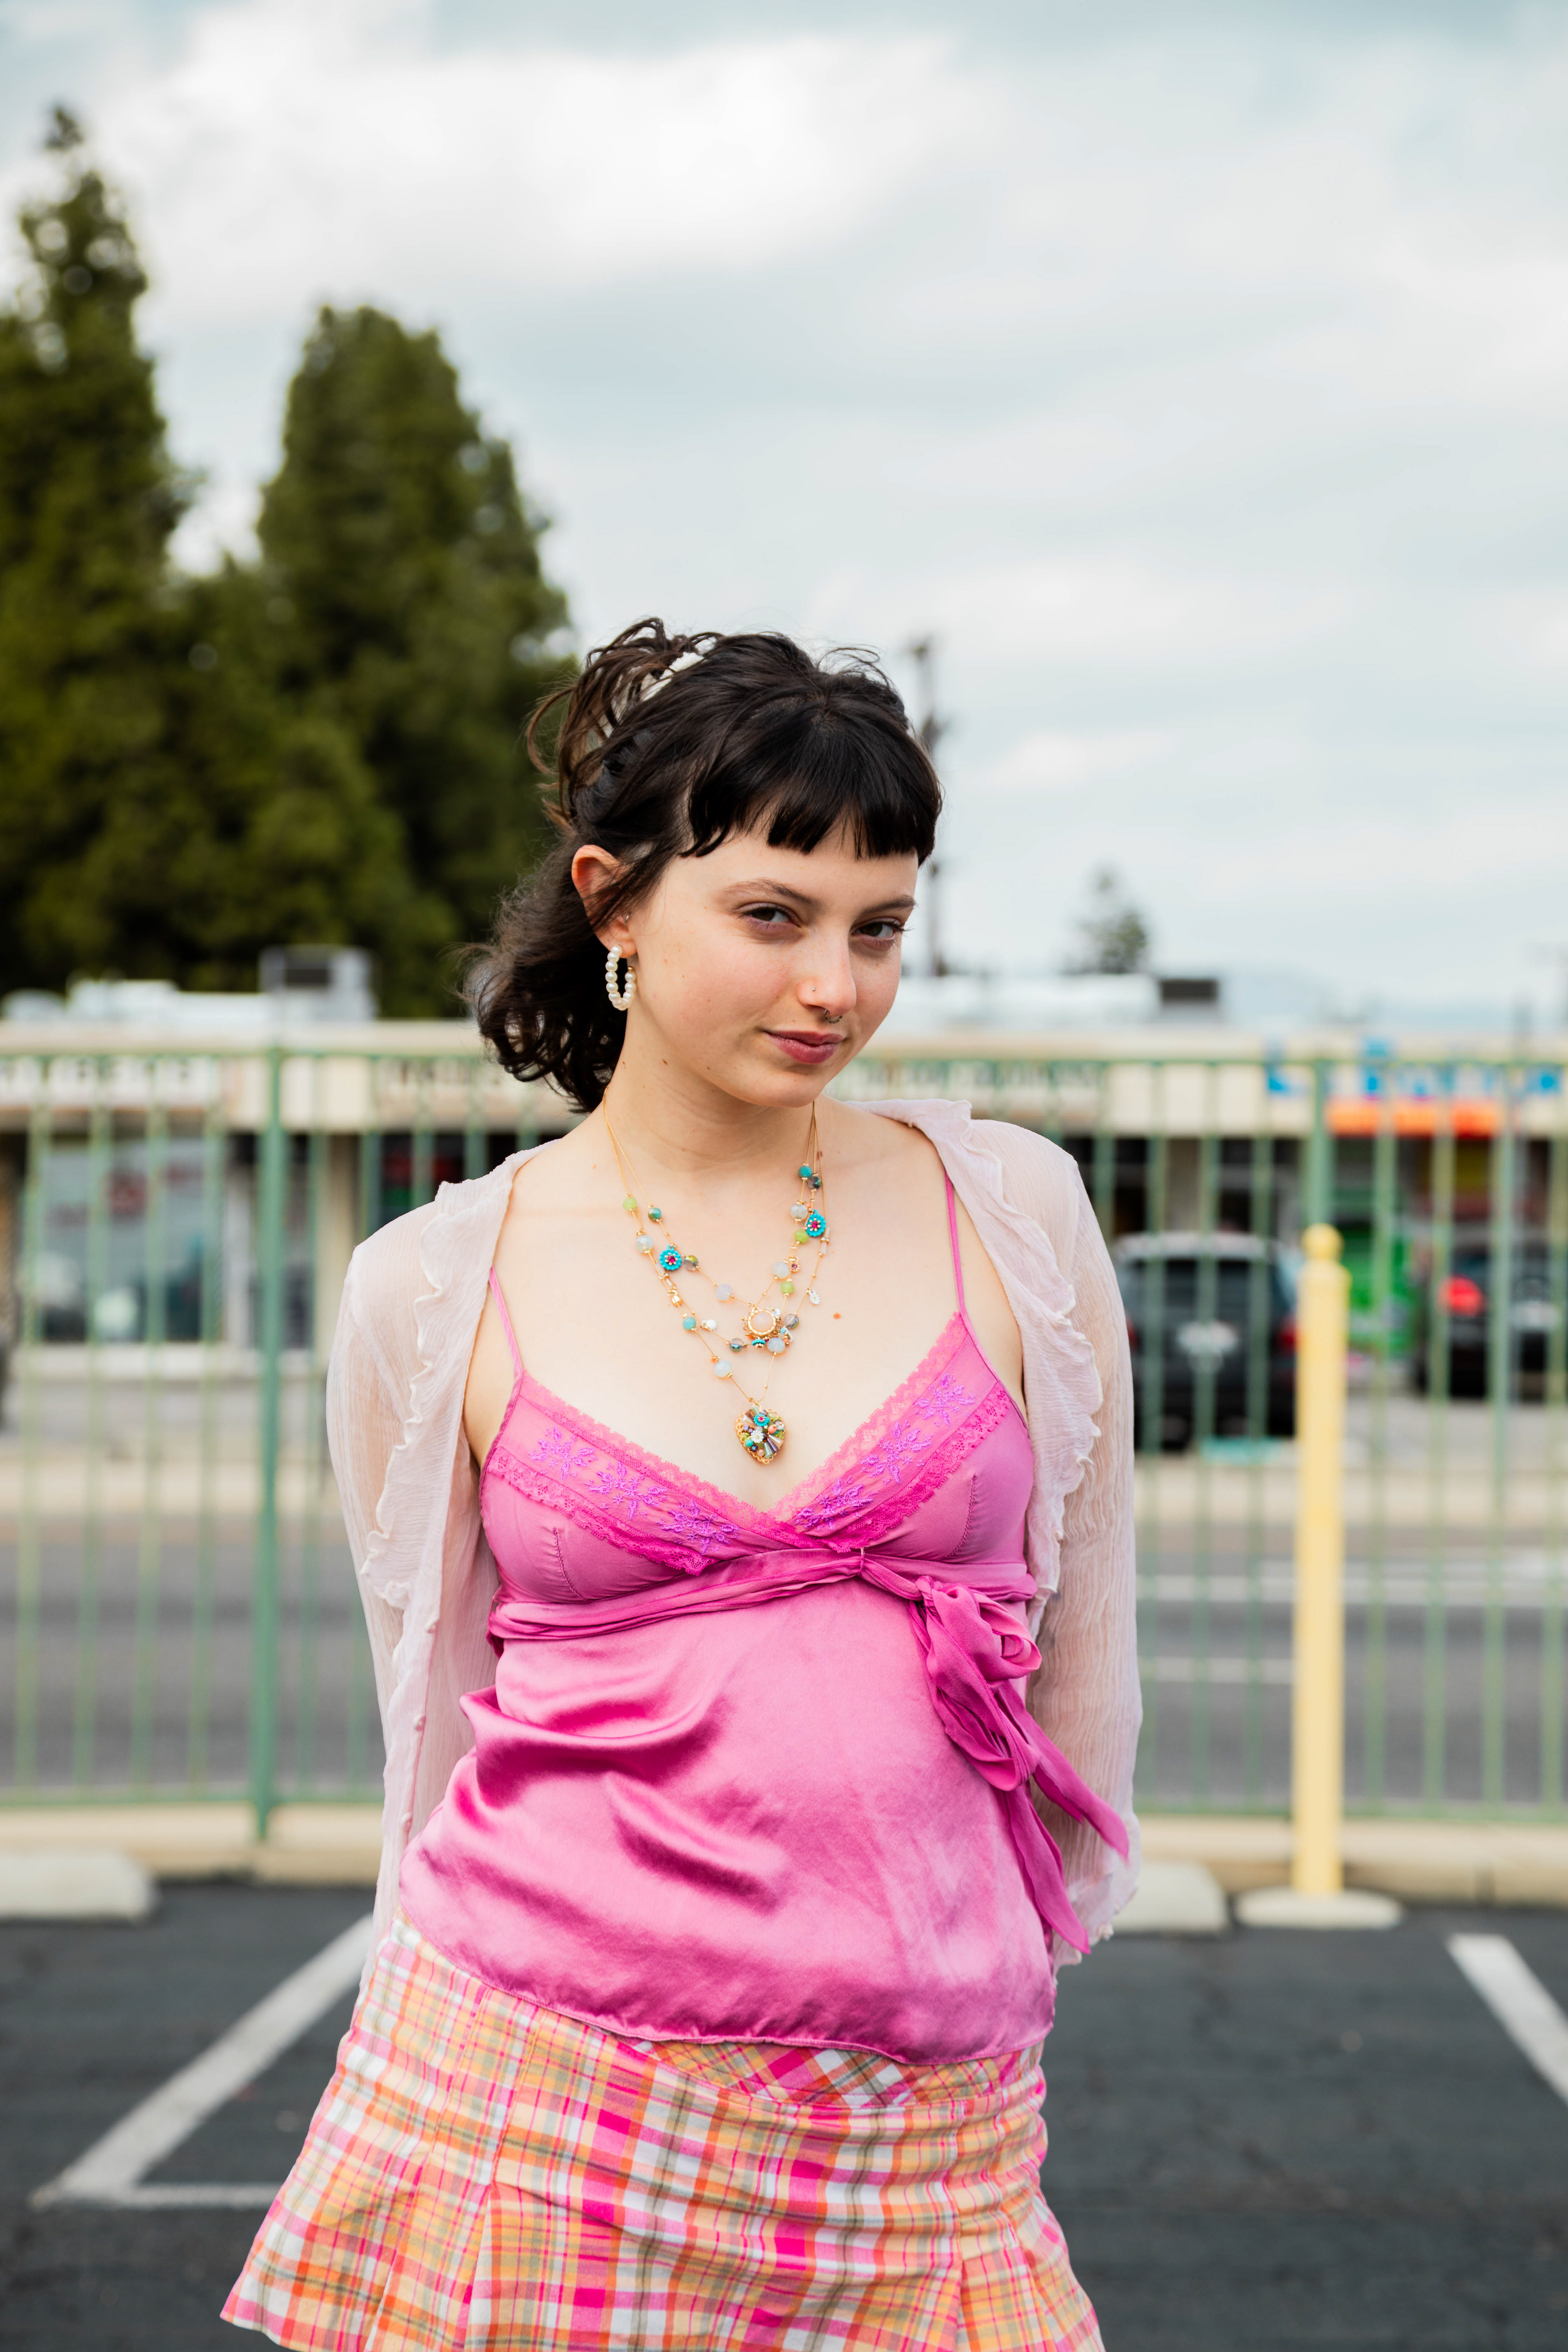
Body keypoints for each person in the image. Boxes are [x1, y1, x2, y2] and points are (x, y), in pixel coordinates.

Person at [226, 619, 1140, 2352]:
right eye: (774, 916)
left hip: (925, 2132)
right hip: (530, 2095)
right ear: (616, 904)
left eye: (880, 929)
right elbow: (433, 1710)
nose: (834, 989)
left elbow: (1087, 1660)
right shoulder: (428, 1286)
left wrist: (983, 1952)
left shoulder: (1015, 1211)